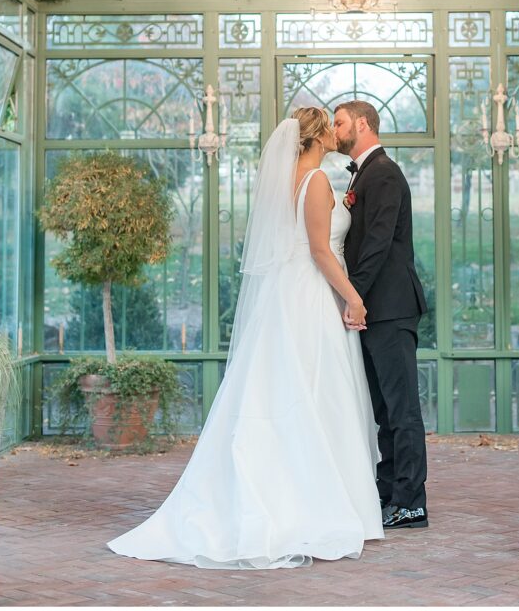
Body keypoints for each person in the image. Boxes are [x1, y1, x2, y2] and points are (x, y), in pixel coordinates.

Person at [107, 108, 383, 570]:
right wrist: (354, 298)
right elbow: (319, 251)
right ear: (316, 137)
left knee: (293, 394)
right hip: (310, 298)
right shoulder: (315, 182)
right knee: (318, 395)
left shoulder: (288, 181)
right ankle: (317, 505)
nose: (339, 134)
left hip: (286, 295)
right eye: (331, 128)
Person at [333, 100, 429, 530]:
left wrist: (355, 296)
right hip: (374, 309)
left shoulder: (385, 173)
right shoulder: (365, 173)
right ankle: (388, 492)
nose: (333, 130)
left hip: (389, 308)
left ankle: (411, 502)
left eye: (339, 122)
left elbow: (378, 242)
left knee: (402, 408)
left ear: (363, 123)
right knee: (384, 411)